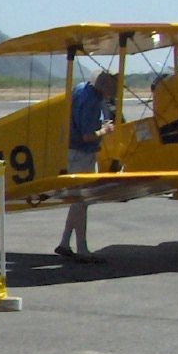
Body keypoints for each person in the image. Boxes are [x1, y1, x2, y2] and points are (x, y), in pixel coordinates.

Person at [56, 70, 117, 263]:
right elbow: (87, 136)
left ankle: (65, 243)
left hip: (71, 151)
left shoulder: (80, 89)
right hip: (81, 153)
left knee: (78, 201)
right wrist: (105, 130)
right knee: (81, 201)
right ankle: (82, 248)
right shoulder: (91, 101)